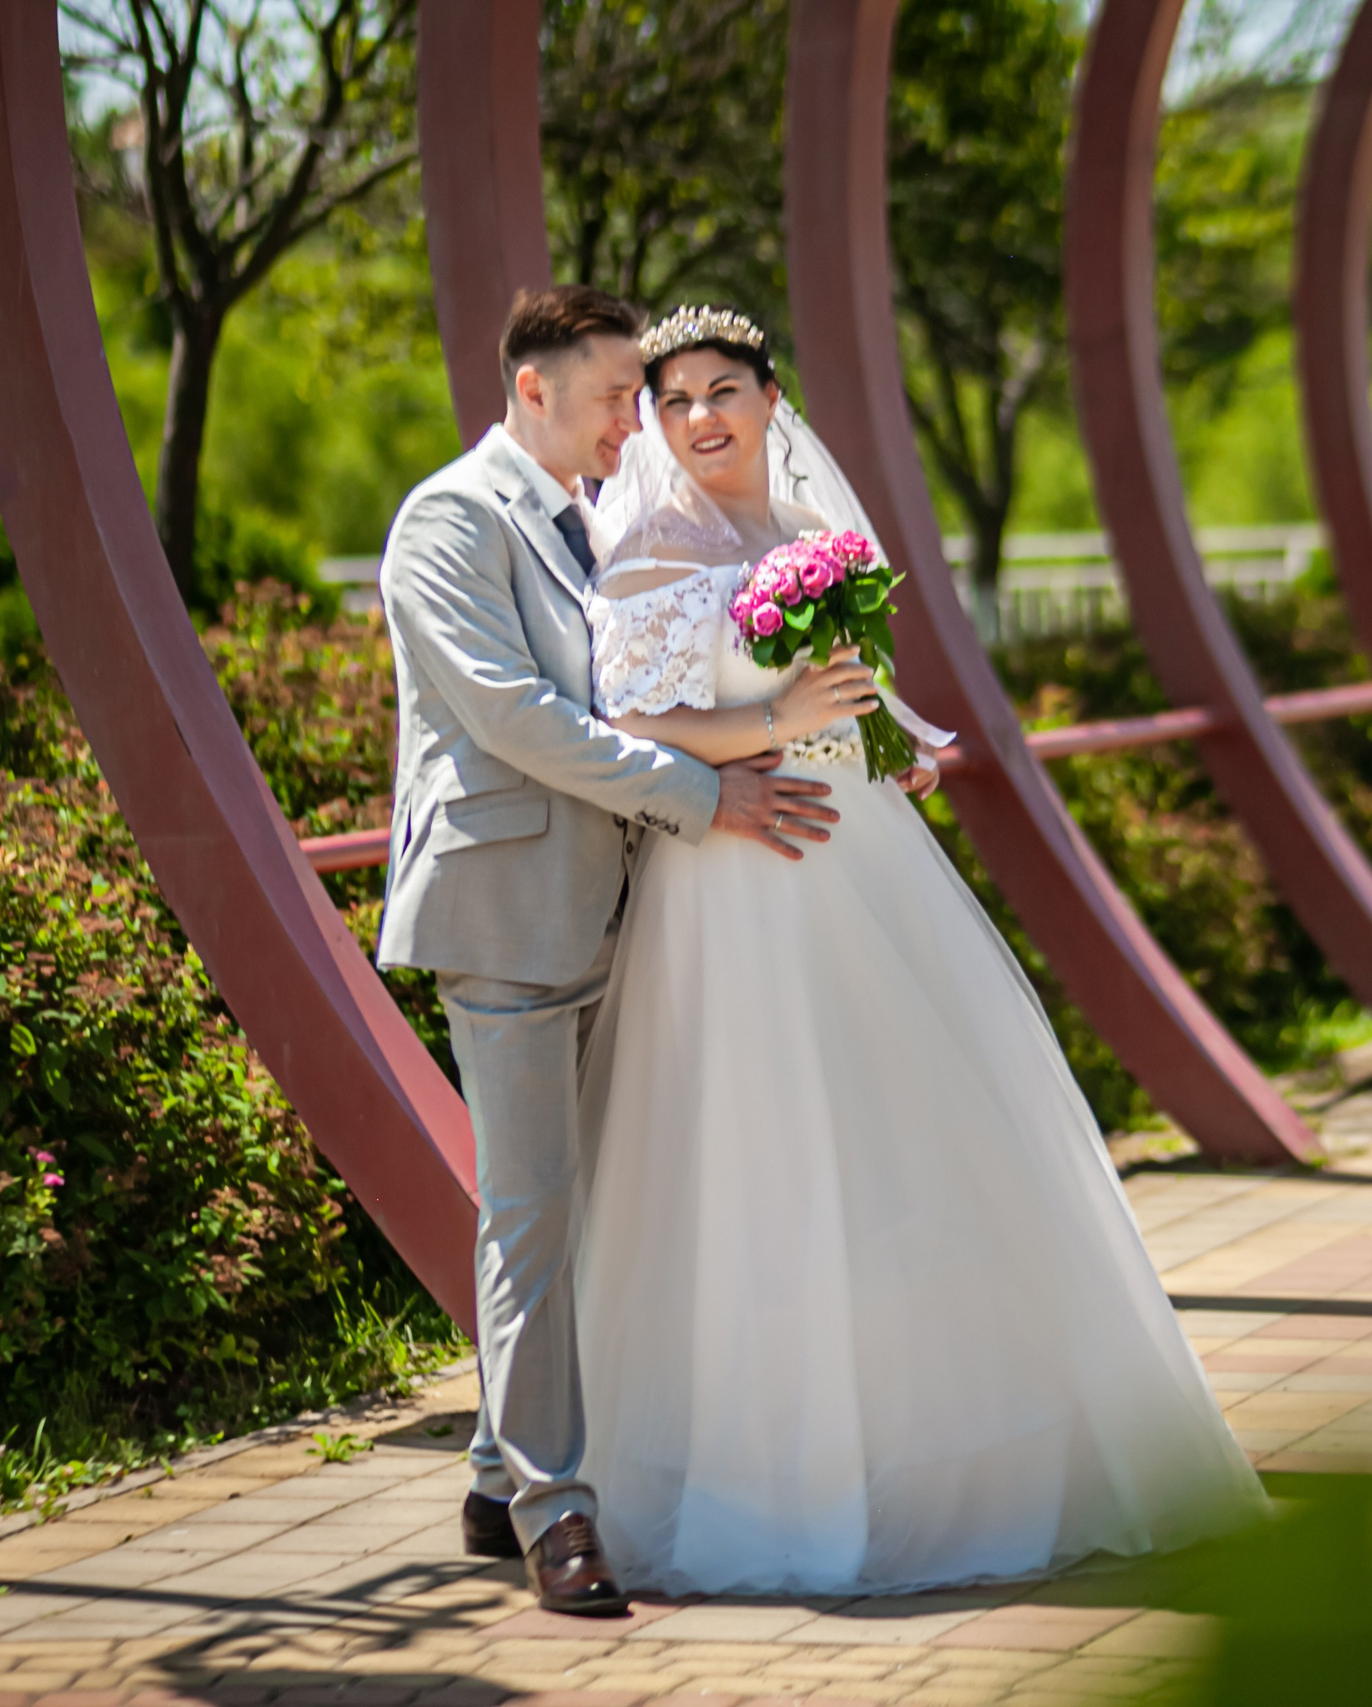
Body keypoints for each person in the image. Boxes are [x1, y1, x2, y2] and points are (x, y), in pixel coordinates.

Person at [570, 304, 1270, 1599]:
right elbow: (643, 721)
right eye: (675, 401)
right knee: (758, 1158)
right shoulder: (647, 547)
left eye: (725, 389)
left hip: (858, 858)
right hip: (736, 881)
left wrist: (893, 748)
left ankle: (951, 1464)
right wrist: (777, 719)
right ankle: (776, 1477)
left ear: (773, 400)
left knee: (917, 1139)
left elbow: (863, 693)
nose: (701, 417)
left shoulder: (811, 541)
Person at [373, 286, 839, 1616]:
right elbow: (521, 718)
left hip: (618, 902)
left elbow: (642, 679)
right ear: (529, 388)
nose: (632, 419)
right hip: (512, 905)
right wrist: (709, 793)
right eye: (609, 396)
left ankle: (486, 1470)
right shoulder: (449, 520)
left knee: (585, 1205)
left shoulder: (603, 511)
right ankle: (554, 1512)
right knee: (529, 1217)